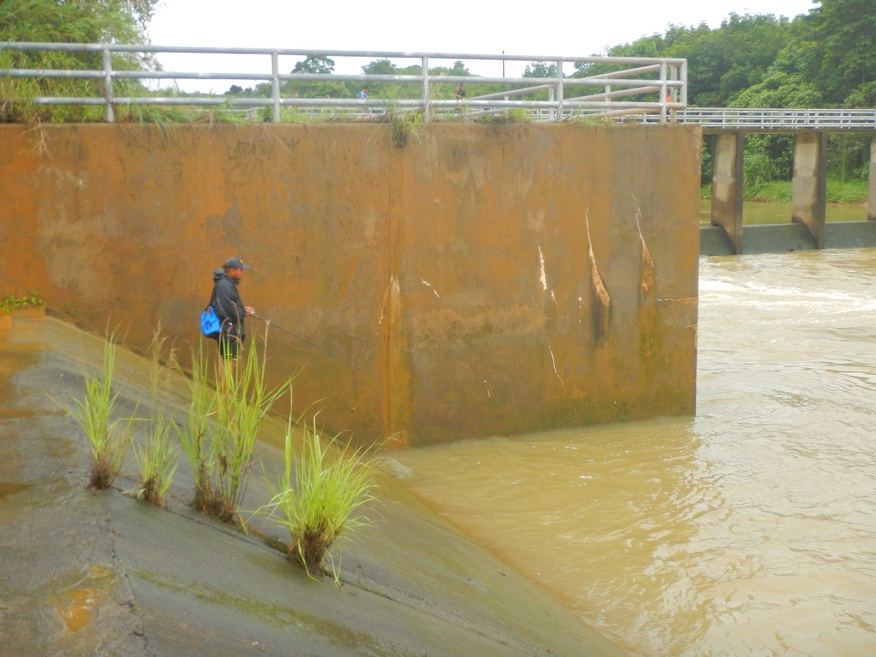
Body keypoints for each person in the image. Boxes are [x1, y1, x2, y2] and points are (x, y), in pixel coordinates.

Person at [210, 257, 255, 362]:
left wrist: (242, 308)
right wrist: (244, 312)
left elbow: (229, 305)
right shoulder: (224, 285)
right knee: (229, 362)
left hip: (229, 330)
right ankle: (225, 379)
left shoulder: (227, 284)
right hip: (228, 331)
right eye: (241, 269)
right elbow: (227, 310)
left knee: (229, 361)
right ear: (232, 270)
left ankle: (226, 379)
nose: (242, 272)